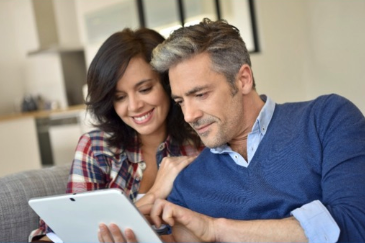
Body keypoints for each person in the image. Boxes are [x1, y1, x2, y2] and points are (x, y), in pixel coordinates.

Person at [100, 18, 365, 242]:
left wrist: (218, 229)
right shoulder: (189, 180)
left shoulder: (326, 119)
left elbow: (354, 225)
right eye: (181, 101)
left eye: (201, 94)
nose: (189, 116)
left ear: (243, 79)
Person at [29, 27, 203, 242]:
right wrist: (153, 196)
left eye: (145, 89)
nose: (134, 106)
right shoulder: (96, 147)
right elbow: (62, 234)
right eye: (119, 97)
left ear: (168, 84)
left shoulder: (198, 143)